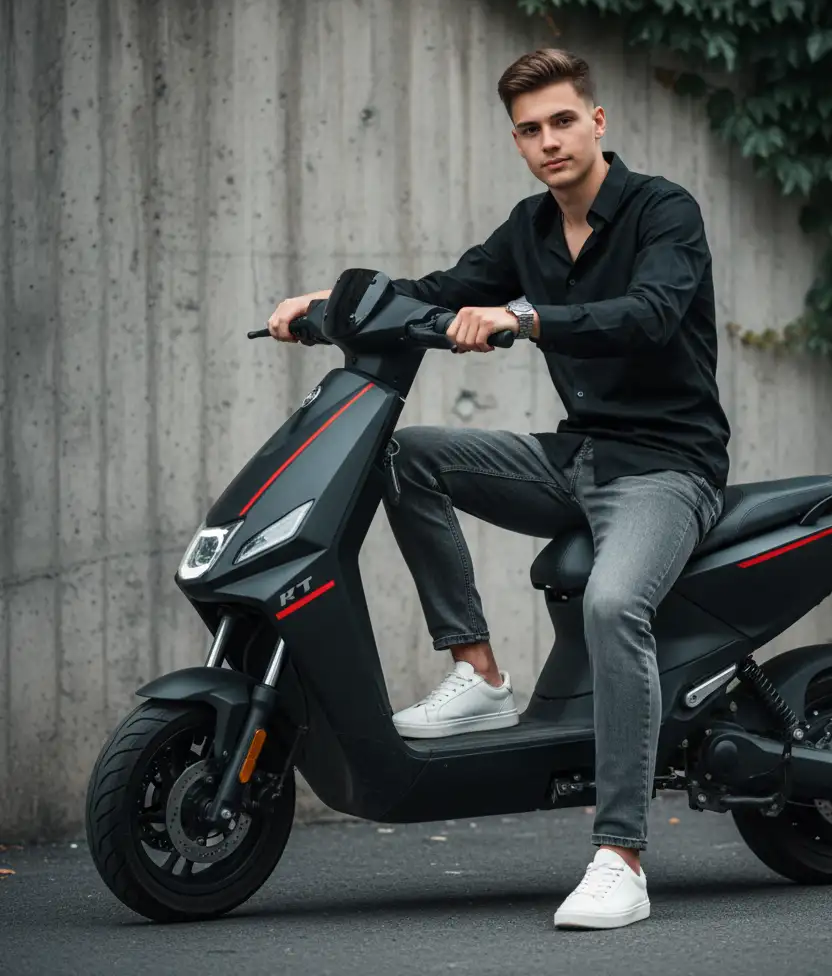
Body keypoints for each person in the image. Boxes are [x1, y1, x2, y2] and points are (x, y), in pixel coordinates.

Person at [268, 48, 731, 930]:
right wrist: (331, 302)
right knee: (405, 457)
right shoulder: (529, 228)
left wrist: (525, 319)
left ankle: (621, 858)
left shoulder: (664, 211)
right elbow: (438, 293)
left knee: (611, 607)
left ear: (597, 123)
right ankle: (478, 672)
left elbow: (651, 314)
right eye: (530, 129)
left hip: (668, 469)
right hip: (580, 455)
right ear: (517, 143)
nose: (549, 140)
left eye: (563, 120)